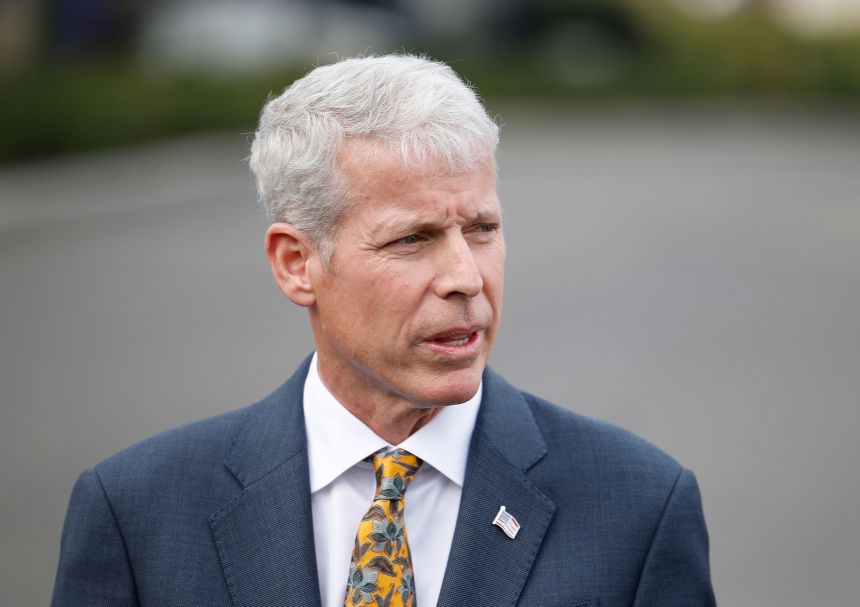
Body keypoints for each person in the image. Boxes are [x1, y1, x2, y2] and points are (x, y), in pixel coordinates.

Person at [52, 55, 715, 607]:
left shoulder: (638, 506)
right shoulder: (137, 514)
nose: (466, 276)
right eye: (413, 238)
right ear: (297, 263)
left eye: (482, 228)